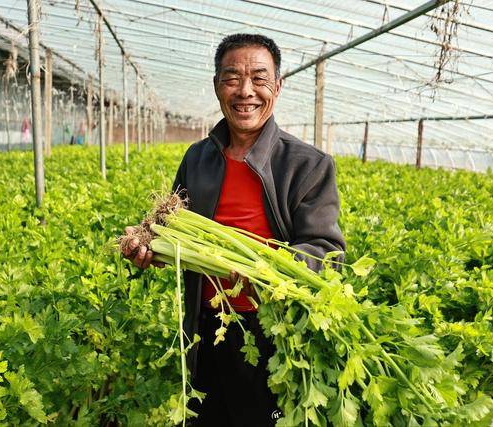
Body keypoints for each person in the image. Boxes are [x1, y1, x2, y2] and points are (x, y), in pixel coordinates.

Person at [122, 34, 345, 426]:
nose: (245, 91)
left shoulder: (308, 165)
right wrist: (150, 249)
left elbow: (325, 251)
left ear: (277, 86)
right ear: (216, 85)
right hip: (205, 329)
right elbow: (177, 232)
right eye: (232, 78)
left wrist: (265, 269)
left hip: (272, 333)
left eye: (259, 78)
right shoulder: (197, 158)